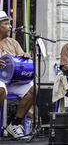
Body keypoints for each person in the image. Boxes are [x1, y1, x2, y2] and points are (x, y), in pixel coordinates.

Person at [0, 11, 35, 139]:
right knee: (1, 87)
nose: (10, 27)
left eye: (9, 24)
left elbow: (21, 58)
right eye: (6, 24)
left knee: (32, 87)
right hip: (1, 82)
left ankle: (15, 124)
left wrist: (25, 57)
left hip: (11, 80)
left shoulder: (13, 43)